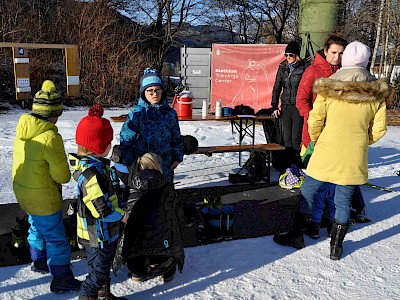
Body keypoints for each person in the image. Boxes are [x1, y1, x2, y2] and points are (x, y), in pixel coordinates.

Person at [273, 41, 388, 260]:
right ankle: (336, 247)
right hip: (353, 155)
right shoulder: (376, 93)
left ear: (345, 60)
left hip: (325, 150)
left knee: (308, 191)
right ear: (365, 62)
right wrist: (362, 141)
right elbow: (380, 129)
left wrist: (319, 139)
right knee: (343, 201)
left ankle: (297, 236)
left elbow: (315, 119)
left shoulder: (328, 87)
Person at [12, 80, 82, 293]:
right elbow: (61, 176)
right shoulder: (51, 137)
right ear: (54, 113)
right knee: (55, 236)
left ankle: (39, 261)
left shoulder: (23, 128)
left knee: (35, 225)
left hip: (23, 192)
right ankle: (61, 278)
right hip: (43, 196)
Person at [69, 104, 128, 300]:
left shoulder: (97, 167)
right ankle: (86, 296)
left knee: (103, 267)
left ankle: (104, 295)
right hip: (97, 234)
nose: (111, 145)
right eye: (109, 142)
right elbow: (100, 209)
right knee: (99, 271)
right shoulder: (91, 175)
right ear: (99, 147)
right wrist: (122, 214)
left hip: (103, 232)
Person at [295, 33, 348, 238]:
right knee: (315, 182)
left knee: (334, 183)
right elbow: (301, 100)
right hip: (315, 135)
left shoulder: (345, 73)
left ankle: (330, 219)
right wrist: (314, 121)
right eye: (334, 52)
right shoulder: (313, 70)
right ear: (325, 51)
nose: (337, 57)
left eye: (341, 53)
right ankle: (311, 222)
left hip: (337, 136)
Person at [112, 153, 185, 283]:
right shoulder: (167, 189)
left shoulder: (132, 190)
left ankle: (137, 273)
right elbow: (179, 217)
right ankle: (167, 272)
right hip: (166, 256)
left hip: (137, 260)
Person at [119, 68, 184, 183]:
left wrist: (177, 157)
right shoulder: (138, 113)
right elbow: (127, 139)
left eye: (158, 90)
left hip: (166, 163)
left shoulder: (169, 113)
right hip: (144, 163)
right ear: (143, 92)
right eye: (150, 91)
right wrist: (130, 162)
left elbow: (176, 137)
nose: (155, 94)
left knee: (166, 193)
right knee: (147, 195)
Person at [271, 41, 308, 166]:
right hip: (285, 105)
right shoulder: (282, 67)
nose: (288, 58)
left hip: (298, 106)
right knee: (286, 138)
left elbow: (308, 88)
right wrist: (275, 106)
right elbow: (277, 87)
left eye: (290, 55)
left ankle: (296, 164)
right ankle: (287, 165)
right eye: (286, 55)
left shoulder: (304, 67)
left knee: (296, 137)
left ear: (297, 55)